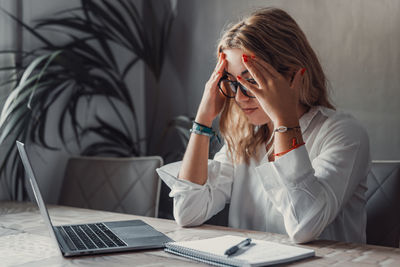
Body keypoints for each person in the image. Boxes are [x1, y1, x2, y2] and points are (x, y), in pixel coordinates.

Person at [157, 7, 370, 244]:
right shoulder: (244, 138)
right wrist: (203, 120)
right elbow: (187, 212)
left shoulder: (344, 134)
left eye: (250, 81)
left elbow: (304, 226)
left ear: (292, 75)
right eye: (231, 83)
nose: (239, 97)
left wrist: (284, 120)